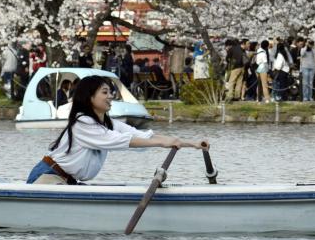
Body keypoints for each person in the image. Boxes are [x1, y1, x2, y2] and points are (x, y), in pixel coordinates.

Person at [26, 75, 208, 184]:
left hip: (66, 180)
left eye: (110, 92)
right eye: (105, 92)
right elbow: (118, 141)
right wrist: (161, 143)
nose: (110, 97)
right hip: (49, 176)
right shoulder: (83, 123)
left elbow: (141, 136)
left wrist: (191, 143)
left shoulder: (108, 122)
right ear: (90, 98)